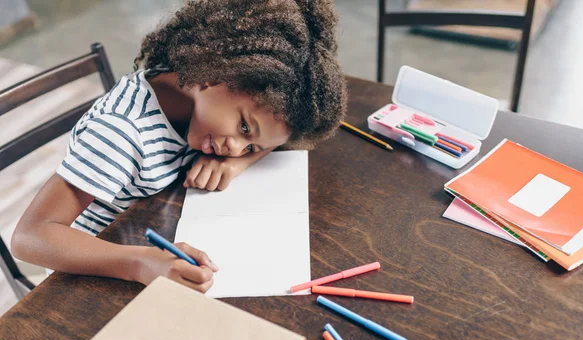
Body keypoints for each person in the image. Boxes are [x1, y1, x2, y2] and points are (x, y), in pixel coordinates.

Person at [11, 0, 347, 293]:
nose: (235, 147)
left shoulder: (200, 99)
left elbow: (272, 139)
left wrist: (235, 165)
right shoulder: (122, 133)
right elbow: (31, 237)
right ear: (220, 72)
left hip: (150, 240)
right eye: (244, 128)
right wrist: (141, 264)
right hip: (93, 268)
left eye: (250, 147)